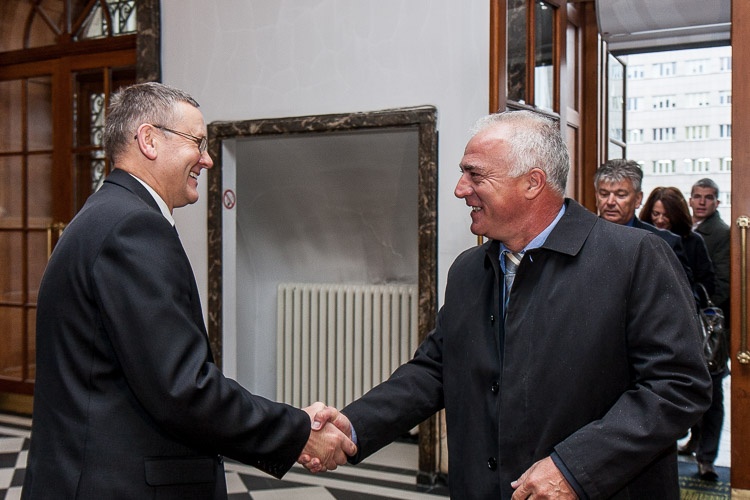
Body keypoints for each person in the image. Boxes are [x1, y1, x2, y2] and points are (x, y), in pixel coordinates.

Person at [304, 110, 711, 498]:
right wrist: (352, 427)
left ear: (533, 183)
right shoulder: (468, 270)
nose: (460, 189)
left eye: (475, 175)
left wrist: (575, 467)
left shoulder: (635, 257)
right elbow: (435, 369)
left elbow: (677, 386)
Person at [22, 82, 355, 499]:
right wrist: (297, 430)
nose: (207, 159)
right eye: (197, 142)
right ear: (149, 140)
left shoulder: (106, 213)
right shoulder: (133, 227)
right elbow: (182, 388)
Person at [679, 178, 732, 481]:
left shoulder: (722, 233)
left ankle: (707, 458)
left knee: (712, 393)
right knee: (692, 386)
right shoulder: (684, 229)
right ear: (689, 200)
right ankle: (694, 442)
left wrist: (697, 311)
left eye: (708, 197)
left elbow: (722, 284)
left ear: (717, 202)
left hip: (708, 327)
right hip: (689, 323)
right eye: (697, 196)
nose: (701, 202)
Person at [594, 159, 694, 285]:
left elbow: (681, 293)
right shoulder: (581, 237)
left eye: (621, 195)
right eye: (604, 194)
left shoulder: (664, 242)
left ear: (638, 199)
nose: (610, 202)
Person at [640, 186, 715, 300]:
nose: (660, 220)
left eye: (666, 215)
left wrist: (691, 299)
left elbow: (707, 282)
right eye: (656, 214)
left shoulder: (693, 241)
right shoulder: (642, 236)